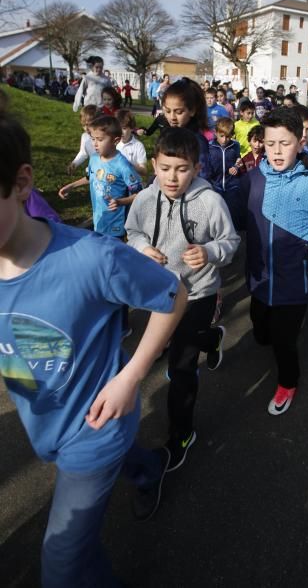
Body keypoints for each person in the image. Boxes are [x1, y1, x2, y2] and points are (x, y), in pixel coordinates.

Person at [0, 115, 187, 586]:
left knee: (63, 564)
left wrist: (131, 378)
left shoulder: (91, 257)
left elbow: (173, 294)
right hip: (44, 424)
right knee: (126, 459)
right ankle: (148, 468)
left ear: (21, 183)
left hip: (95, 429)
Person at [126, 128, 240, 469]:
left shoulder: (209, 201)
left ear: (196, 168)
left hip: (197, 293)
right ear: (154, 165)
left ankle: (182, 433)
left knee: (181, 366)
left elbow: (231, 242)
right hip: (161, 291)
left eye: (181, 169)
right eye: (164, 168)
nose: (172, 178)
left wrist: (209, 251)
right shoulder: (147, 198)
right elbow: (133, 232)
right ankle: (212, 336)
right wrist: (143, 249)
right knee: (181, 343)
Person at [239, 106, 308, 415]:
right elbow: (234, 218)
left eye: (284, 143)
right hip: (259, 280)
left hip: (294, 284)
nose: (276, 151)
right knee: (260, 331)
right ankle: (267, 334)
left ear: (300, 143)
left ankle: (288, 382)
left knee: (283, 342)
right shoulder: (252, 180)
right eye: (270, 143)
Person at [58, 115, 142, 237]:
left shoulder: (123, 166)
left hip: (115, 224)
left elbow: (139, 193)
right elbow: (91, 177)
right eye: (93, 139)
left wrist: (120, 202)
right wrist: (71, 186)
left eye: (100, 140)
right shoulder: (94, 158)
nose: (95, 144)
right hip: (98, 218)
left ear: (115, 140)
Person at [208, 118, 241, 227]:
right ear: (215, 133)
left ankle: (231, 232)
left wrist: (236, 167)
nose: (225, 139)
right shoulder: (209, 146)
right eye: (222, 136)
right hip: (215, 185)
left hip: (231, 185)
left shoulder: (235, 146)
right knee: (216, 211)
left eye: (228, 136)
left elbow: (238, 159)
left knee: (231, 212)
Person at [66, 104, 98, 175]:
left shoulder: (104, 137)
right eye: (83, 125)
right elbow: (83, 153)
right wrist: (75, 163)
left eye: (89, 125)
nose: (86, 128)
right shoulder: (85, 137)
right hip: (93, 171)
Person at [116, 109, 148, 176]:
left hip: (133, 183)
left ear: (131, 128)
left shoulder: (138, 146)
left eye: (124, 128)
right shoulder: (113, 144)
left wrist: (129, 165)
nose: (120, 132)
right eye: (118, 128)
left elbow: (144, 171)